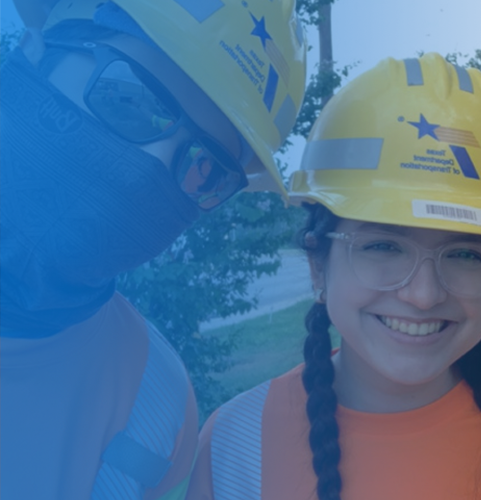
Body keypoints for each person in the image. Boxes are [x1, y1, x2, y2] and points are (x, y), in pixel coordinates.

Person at [186, 52, 481, 500]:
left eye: (465, 254)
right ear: (318, 264)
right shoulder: (239, 446)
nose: (423, 295)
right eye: (383, 246)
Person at [0, 0, 306, 498]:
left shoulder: (156, 403)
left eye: (204, 166)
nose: (155, 165)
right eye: (133, 97)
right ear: (34, 52)